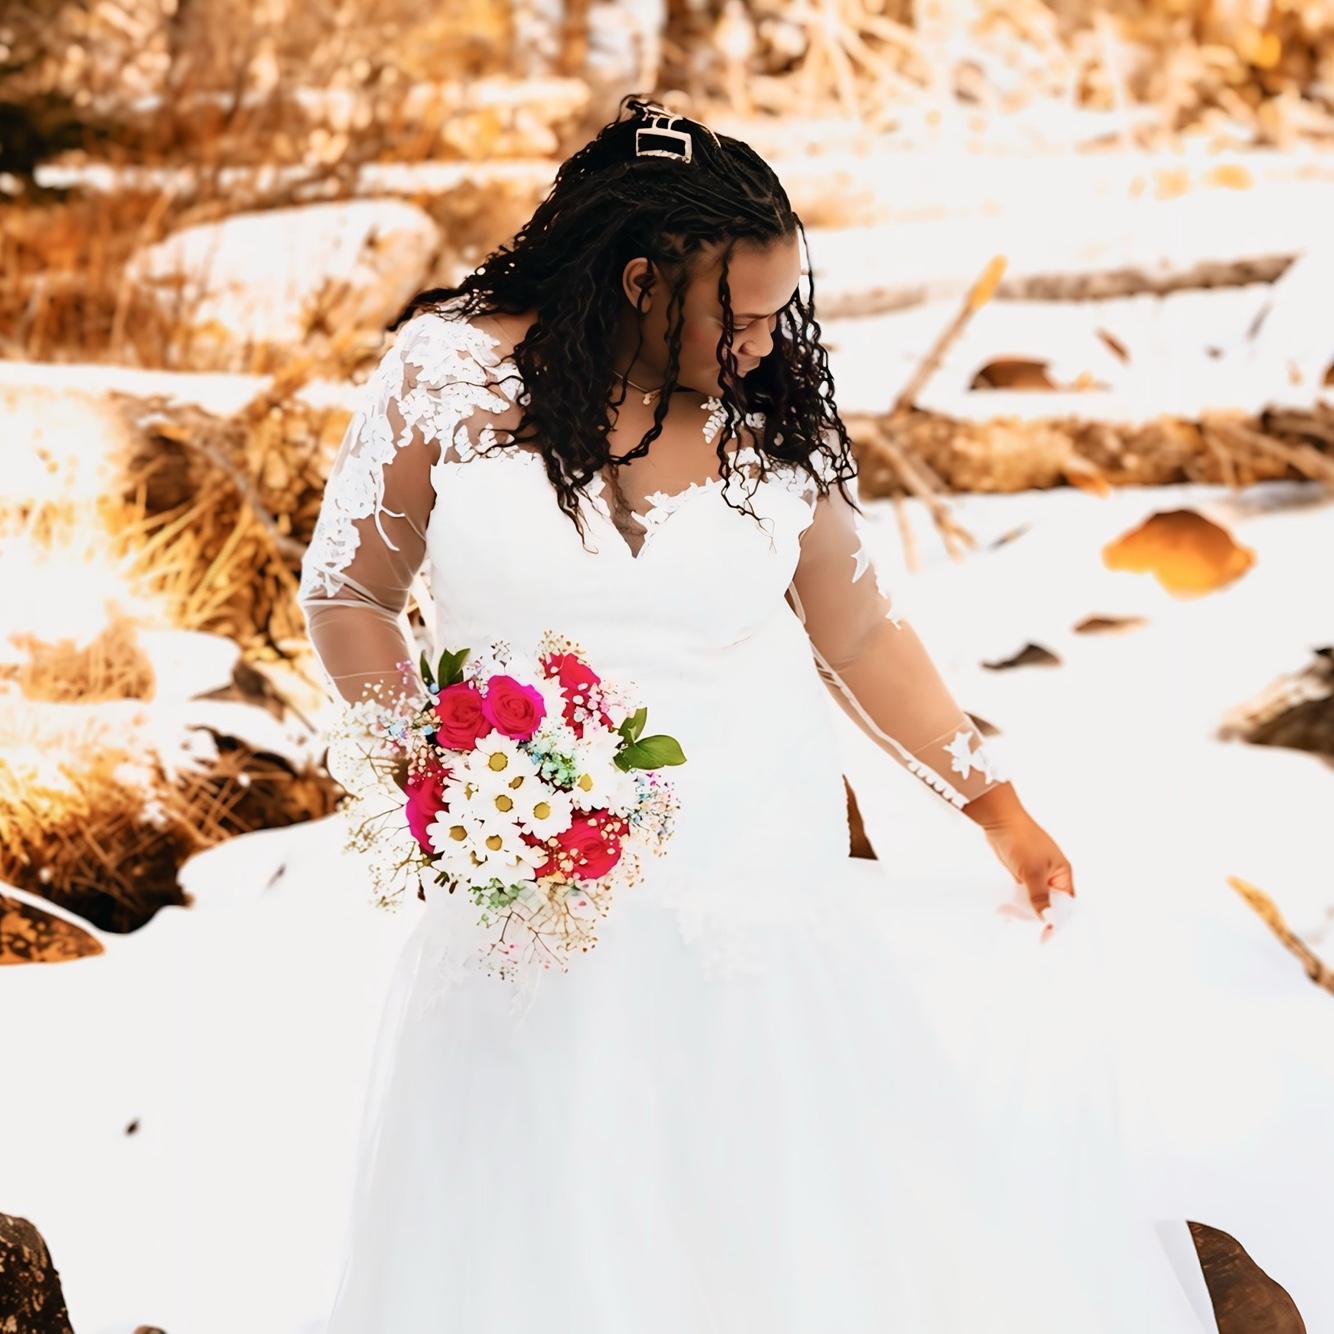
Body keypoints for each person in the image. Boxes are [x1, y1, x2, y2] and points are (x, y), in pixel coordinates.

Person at [297, 96, 1217, 1331]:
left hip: (755, 895)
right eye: (736, 315)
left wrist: (994, 806)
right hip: (530, 903)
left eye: (780, 309)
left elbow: (859, 631)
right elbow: (350, 591)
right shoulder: (443, 376)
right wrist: (433, 781)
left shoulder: (770, 415)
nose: (765, 338)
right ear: (637, 283)